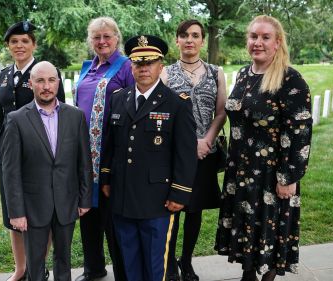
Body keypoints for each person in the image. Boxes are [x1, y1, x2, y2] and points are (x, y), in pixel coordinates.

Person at [214, 15, 312, 281]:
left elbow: (300, 133)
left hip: (272, 173)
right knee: (246, 227)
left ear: (277, 42)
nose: (257, 42)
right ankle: (248, 273)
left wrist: (289, 177)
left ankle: (266, 276)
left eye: (265, 37)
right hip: (242, 170)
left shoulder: (290, 80)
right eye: (253, 36)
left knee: (270, 230)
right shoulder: (245, 75)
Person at [100, 35, 197, 281]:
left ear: (160, 66)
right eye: (138, 63)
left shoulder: (176, 103)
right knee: (129, 263)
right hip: (122, 197)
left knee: (155, 267)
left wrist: (180, 192)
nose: (144, 68)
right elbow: (110, 144)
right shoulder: (118, 98)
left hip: (158, 200)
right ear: (131, 66)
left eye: (150, 62)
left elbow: (185, 153)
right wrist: (106, 179)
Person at [2, 61, 92, 281]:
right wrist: (16, 211)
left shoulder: (75, 116)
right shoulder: (17, 119)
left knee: (64, 259)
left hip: (66, 201)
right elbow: (11, 171)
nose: (46, 86)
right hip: (33, 206)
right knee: (35, 262)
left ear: (58, 83)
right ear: (31, 83)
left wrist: (85, 199)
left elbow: (84, 162)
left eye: (51, 80)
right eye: (40, 80)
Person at [0, 21, 65, 281]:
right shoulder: (4, 74)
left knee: (39, 214)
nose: (19, 46)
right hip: (9, 156)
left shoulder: (45, 73)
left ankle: (39, 267)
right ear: (8, 46)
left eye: (25, 41)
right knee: (14, 213)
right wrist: (0, 149)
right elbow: (2, 118)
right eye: (14, 41)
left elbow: (60, 115)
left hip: (38, 157)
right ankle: (21, 269)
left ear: (34, 44)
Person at [159, 19, 226, 281]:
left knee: (195, 209)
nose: (189, 40)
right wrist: (187, 144)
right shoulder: (165, 73)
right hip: (175, 152)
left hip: (204, 151)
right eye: (184, 35)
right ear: (177, 40)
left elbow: (221, 112)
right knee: (174, 207)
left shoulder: (215, 72)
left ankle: (186, 260)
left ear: (202, 41)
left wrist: (207, 140)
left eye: (195, 35)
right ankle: (170, 264)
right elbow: (162, 112)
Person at [73, 17, 134, 281]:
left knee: (113, 219)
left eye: (107, 36)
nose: (102, 42)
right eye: (96, 37)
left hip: (111, 152)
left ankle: (124, 272)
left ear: (116, 37)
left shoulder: (126, 67)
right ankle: (94, 268)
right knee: (87, 212)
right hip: (84, 153)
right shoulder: (88, 67)